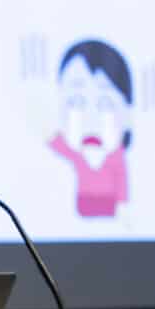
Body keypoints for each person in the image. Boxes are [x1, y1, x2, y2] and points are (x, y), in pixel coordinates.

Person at [47, 39, 133, 218]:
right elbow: (52, 140)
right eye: (76, 102)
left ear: (128, 113)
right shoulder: (76, 156)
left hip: (110, 208)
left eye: (105, 103)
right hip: (83, 206)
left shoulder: (116, 158)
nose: (91, 118)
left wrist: (123, 208)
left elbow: (122, 183)